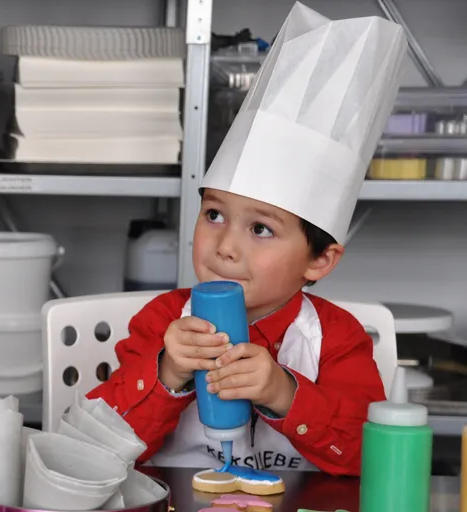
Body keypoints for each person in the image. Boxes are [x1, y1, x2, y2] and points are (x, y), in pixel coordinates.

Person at [87, 3, 406, 476]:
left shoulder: (337, 341)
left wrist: (285, 393)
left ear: (319, 261)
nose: (226, 246)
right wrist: (167, 373)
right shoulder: (161, 323)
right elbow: (96, 450)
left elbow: (372, 461)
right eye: (214, 213)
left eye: (261, 228)